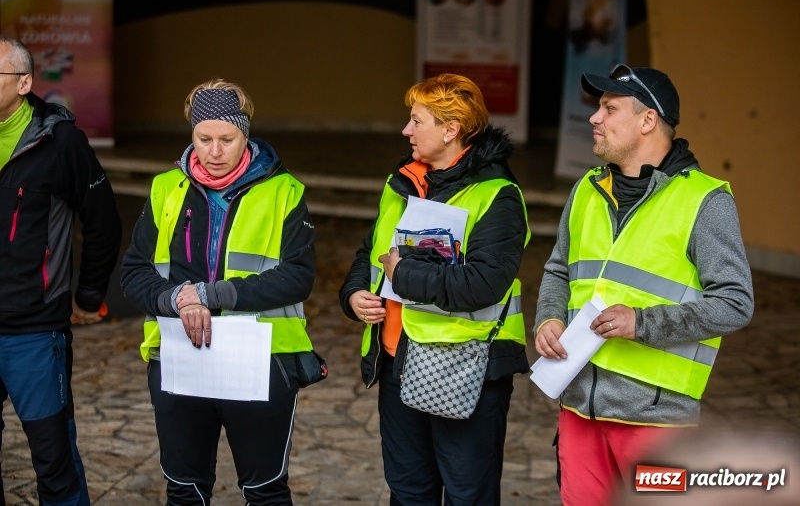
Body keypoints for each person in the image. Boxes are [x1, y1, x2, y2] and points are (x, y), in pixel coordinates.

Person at [532, 64, 755, 505]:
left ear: (647, 120)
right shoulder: (586, 191)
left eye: (609, 108)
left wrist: (643, 323)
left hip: (656, 421)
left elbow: (735, 303)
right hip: (578, 408)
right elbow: (558, 269)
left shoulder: (705, 201)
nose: (595, 118)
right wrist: (548, 318)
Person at [120, 78, 324, 505]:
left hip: (263, 358)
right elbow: (135, 272)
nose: (213, 151)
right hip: (179, 356)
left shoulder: (284, 192)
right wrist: (176, 299)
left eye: (226, 139)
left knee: (265, 491)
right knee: (184, 490)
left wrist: (209, 295)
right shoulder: (164, 190)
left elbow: (297, 277)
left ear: (245, 135)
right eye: (203, 138)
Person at [339, 73, 531, 504]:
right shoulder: (401, 182)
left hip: (466, 369)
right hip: (396, 363)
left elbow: (484, 283)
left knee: (468, 495)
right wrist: (353, 295)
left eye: (416, 121)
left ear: (451, 129)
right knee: (408, 493)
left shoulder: (497, 195)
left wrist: (402, 274)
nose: (406, 130)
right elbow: (369, 252)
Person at [0, 35, 121, 505]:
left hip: (33, 331)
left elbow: (104, 222)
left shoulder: (61, 142)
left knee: (52, 458)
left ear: (25, 82)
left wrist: (87, 295)